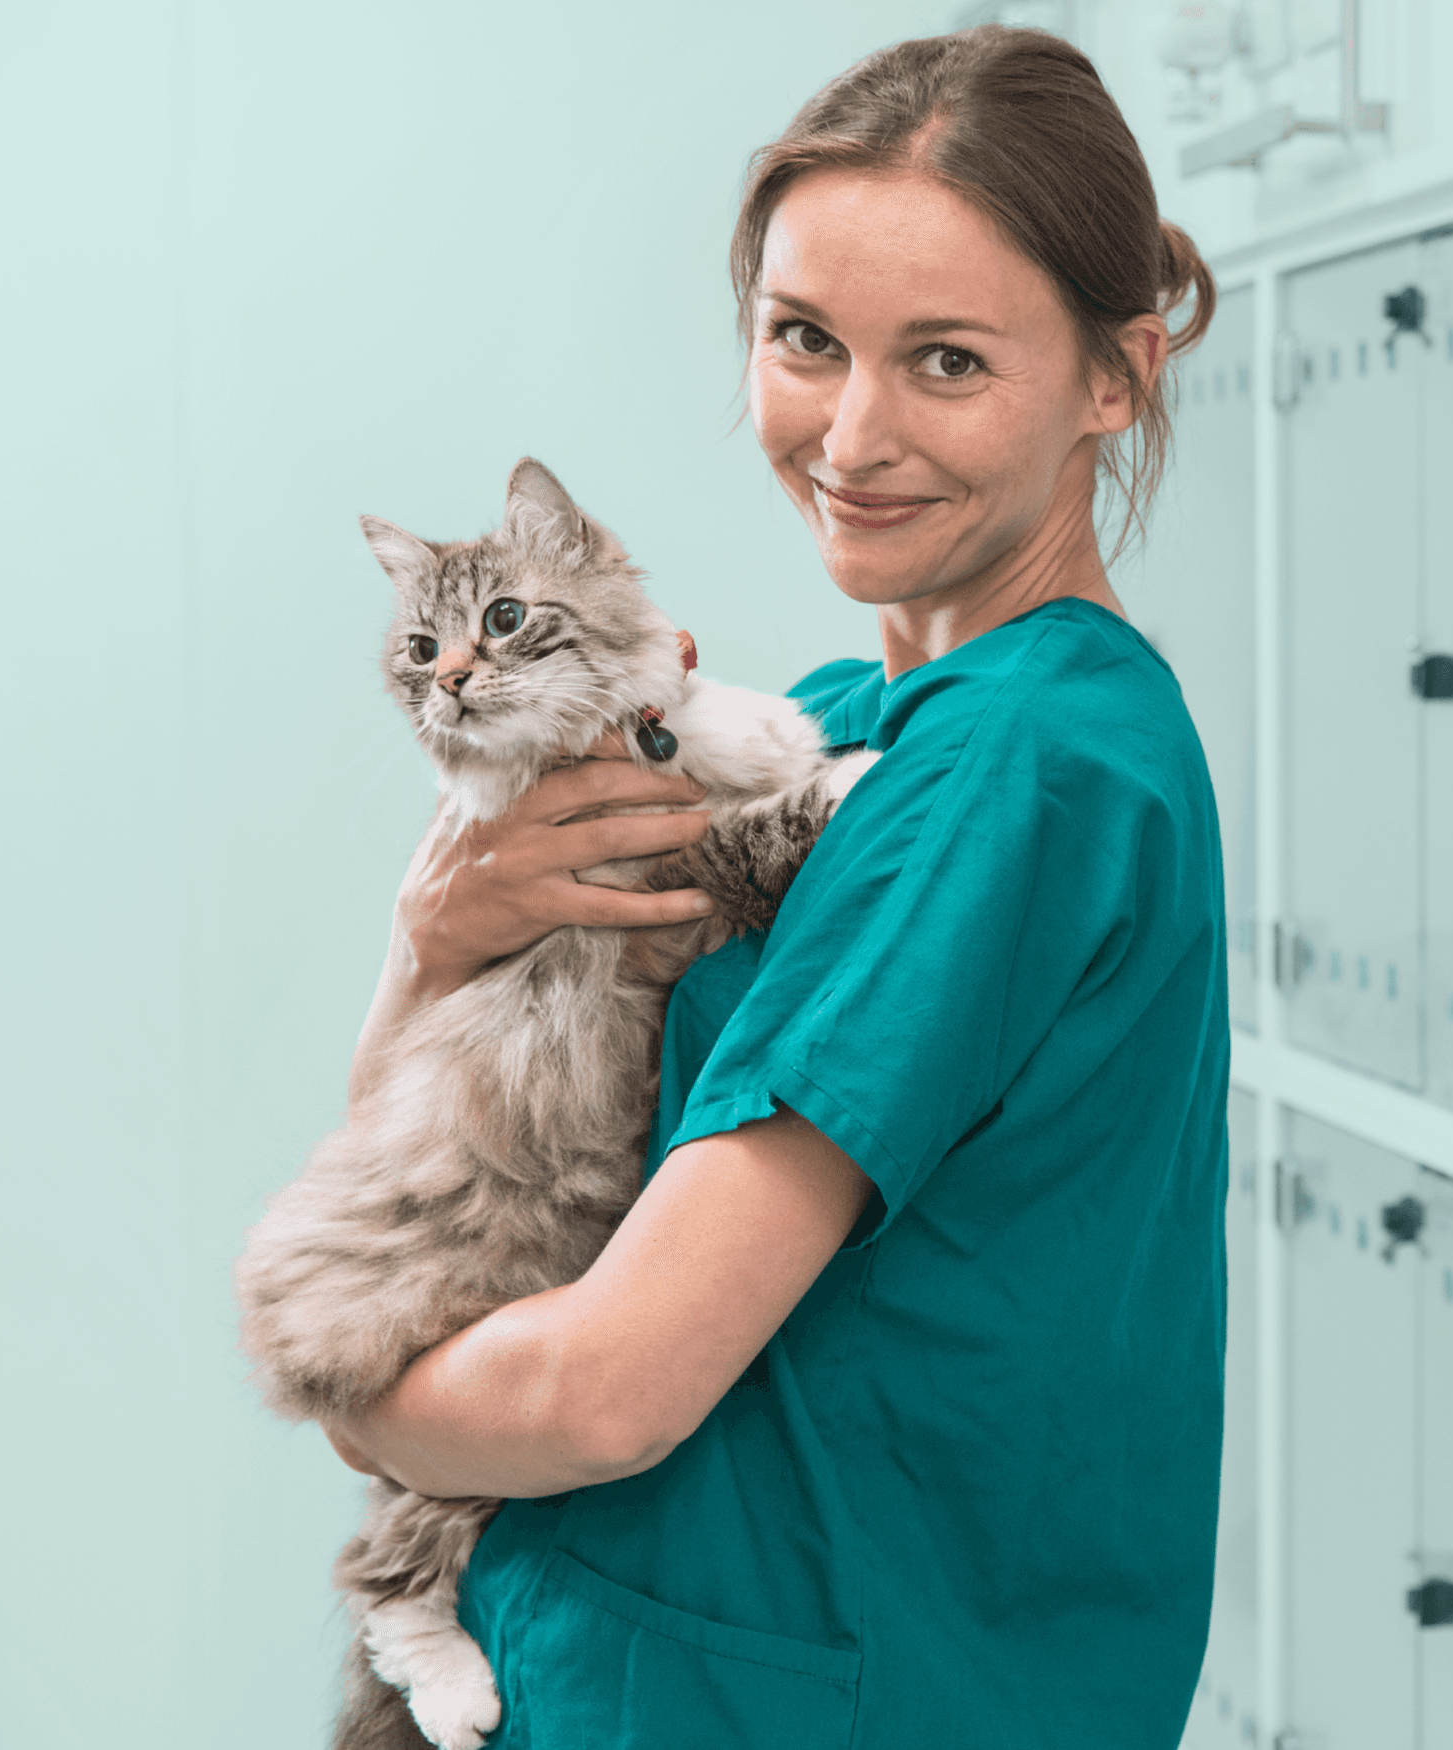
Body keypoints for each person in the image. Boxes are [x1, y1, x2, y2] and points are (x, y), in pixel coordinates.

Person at [322, 28, 1231, 1747]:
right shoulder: (837, 726)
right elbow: (427, 1167)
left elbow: (606, 1390)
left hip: (788, 1689)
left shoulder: (1017, 771)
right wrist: (426, 931)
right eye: (805, 338)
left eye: (948, 360)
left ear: (1115, 376)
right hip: (627, 1651)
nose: (854, 432)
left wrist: (364, 1402)